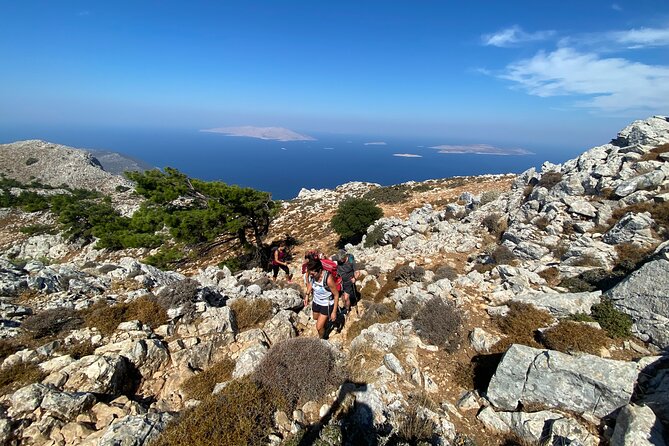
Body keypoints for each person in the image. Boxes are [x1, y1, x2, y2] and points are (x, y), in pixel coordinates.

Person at [304, 257, 340, 339]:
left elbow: (336, 295)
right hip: (316, 301)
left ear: (320, 270)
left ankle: (322, 339)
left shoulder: (328, 279)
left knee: (319, 327)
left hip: (326, 303)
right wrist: (307, 295)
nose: (311, 275)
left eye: (313, 273)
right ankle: (326, 321)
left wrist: (334, 311)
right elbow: (310, 283)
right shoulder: (312, 275)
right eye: (310, 273)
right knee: (315, 317)